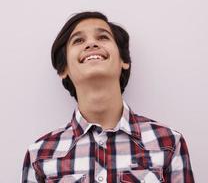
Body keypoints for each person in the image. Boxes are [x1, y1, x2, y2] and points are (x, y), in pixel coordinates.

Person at [22, 11, 194, 183]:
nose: (91, 43)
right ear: (63, 69)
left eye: (103, 37)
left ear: (123, 61)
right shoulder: (39, 155)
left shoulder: (168, 142)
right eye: (78, 40)